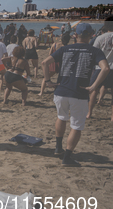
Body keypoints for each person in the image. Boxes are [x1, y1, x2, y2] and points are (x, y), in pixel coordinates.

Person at [41, 23, 109, 166]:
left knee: (61, 117)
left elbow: (44, 62)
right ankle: (67, 157)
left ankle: (58, 147)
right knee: (76, 126)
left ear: (75, 35)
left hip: (61, 91)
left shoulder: (64, 49)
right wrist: (94, 86)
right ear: (91, 35)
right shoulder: (95, 51)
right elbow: (105, 68)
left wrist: (47, 81)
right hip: (79, 92)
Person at [87, 16, 113, 120]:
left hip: (100, 68)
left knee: (94, 91)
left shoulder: (100, 37)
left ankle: (89, 113)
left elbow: (93, 54)